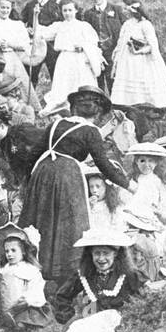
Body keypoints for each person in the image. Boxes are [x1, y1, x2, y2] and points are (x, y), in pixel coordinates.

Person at [18, 85, 134, 288]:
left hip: (43, 173)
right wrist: (128, 185)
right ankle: (63, 275)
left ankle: (35, 270)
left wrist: (29, 183)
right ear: (98, 112)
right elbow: (104, 165)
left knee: (41, 222)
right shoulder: (91, 131)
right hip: (67, 178)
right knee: (70, 226)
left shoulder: (57, 124)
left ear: (74, 108)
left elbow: (33, 155)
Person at [52, 227, 148, 324]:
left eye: (106, 253)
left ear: (115, 254)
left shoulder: (129, 275)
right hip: (90, 325)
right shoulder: (84, 274)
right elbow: (62, 296)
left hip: (120, 326)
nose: (101, 259)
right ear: (91, 254)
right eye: (97, 253)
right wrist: (67, 315)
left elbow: (146, 297)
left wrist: (134, 318)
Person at [0, 223, 52, 332]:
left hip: (23, 306)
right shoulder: (0, 269)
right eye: (7, 251)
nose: (9, 254)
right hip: (4, 306)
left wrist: (24, 302)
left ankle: (8, 331)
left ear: (23, 251)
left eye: (13, 250)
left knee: (23, 319)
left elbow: (35, 291)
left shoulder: (30, 269)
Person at [41, 0, 104, 109]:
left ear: (76, 11)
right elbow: (43, 34)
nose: (67, 13)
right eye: (65, 10)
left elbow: (93, 43)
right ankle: (66, 105)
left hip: (80, 59)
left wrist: (84, 46)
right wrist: (35, 18)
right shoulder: (59, 26)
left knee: (81, 82)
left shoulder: (84, 26)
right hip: (65, 59)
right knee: (65, 83)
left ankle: (85, 105)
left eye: (70, 10)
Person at [109, 0, 166, 110]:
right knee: (127, 83)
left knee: (142, 83)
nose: (123, 11)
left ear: (132, 10)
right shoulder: (127, 24)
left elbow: (152, 46)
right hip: (126, 61)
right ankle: (127, 106)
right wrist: (117, 60)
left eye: (125, 8)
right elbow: (121, 43)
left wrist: (138, 51)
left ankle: (146, 107)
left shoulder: (145, 24)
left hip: (142, 61)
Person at [81, 0, 124, 93]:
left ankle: (116, 107)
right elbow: (85, 33)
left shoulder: (116, 10)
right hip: (96, 52)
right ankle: (101, 108)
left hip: (113, 51)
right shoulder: (88, 14)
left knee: (113, 80)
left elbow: (125, 29)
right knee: (97, 81)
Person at [21, 0, 63, 87]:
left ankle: (57, 103)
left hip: (53, 47)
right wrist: (26, 29)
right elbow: (20, 22)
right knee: (30, 77)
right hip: (35, 47)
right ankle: (31, 102)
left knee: (57, 76)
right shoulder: (30, 5)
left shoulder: (57, 4)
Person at [85, 165, 127, 231]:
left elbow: (118, 225)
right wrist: (88, 207)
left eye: (98, 186)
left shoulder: (114, 205)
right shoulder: (87, 204)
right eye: (91, 186)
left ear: (106, 187)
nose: (94, 190)